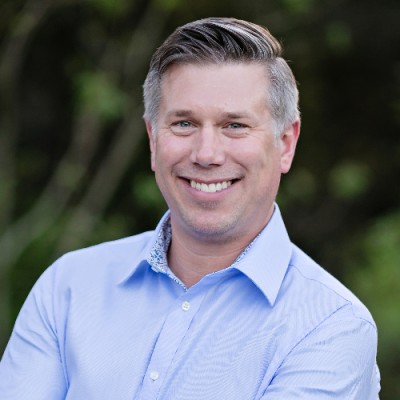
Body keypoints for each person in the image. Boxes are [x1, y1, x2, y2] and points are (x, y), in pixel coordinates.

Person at [0, 17, 380, 399]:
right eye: (184, 124)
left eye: (235, 125)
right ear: (153, 140)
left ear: (285, 143)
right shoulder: (67, 287)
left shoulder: (330, 326)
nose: (206, 154)